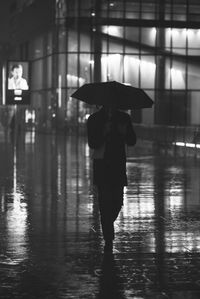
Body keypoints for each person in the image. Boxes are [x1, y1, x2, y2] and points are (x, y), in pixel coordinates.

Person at [87, 106, 137, 253]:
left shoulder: (124, 118)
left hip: (118, 166)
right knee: (104, 201)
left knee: (117, 202)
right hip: (102, 166)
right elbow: (92, 143)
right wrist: (104, 132)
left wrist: (125, 132)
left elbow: (132, 140)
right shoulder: (94, 119)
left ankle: (108, 223)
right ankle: (108, 236)